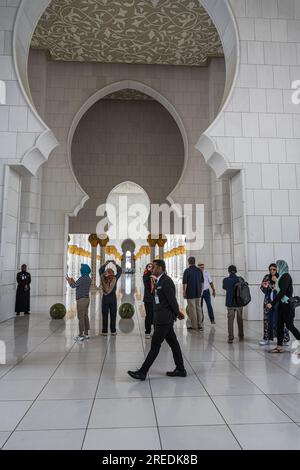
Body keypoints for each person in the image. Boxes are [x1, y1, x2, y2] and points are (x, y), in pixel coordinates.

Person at [128, 259, 186, 380]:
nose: (152, 269)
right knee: (174, 344)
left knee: (155, 346)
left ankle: (143, 372)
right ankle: (180, 369)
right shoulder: (159, 280)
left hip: (164, 319)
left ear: (160, 268)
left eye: (154, 267)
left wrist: (178, 313)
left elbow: (172, 300)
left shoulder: (166, 282)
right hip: (162, 318)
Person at [268, 260, 300, 355]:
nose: (276, 269)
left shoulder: (286, 276)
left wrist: (272, 303)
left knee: (290, 326)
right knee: (279, 326)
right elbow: (280, 290)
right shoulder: (281, 276)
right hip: (282, 306)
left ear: (282, 267)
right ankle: (279, 347)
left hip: (287, 306)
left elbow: (282, 293)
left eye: (277, 267)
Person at [259, 264, 290, 346]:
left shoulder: (281, 277)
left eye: (274, 269)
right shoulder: (267, 277)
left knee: (281, 320)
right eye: (270, 269)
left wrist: (276, 282)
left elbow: (284, 290)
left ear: (277, 270)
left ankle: (285, 339)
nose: (272, 271)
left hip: (279, 302)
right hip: (268, 302)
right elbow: (262, 288)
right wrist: (269, 286)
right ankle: (266, 338)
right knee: (267, 320)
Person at [67, 264, 92, 342]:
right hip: (87, 299)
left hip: (81, 300)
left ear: (83, 270)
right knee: (85, 316)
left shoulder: (82, 278)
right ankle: (86, 333)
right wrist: (73, 280)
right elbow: (78, 285)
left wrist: (69, 280)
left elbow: (73, 286)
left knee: (80, 317)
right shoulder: (88, 278)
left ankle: (81, 335)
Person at [99, 259, 122, 336]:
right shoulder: (114, 278)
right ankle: (113, 330)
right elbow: (120, 271)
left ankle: (105, 331)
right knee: (113, 314)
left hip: (105, 298)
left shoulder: (102, 277)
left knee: (105, 314)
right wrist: (115, 264)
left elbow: (100, 270)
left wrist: (105, 264)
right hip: (112, 299)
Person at [223, 265, 244, 344]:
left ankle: (231, 337)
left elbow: (224, 287)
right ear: (236, 271)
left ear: (228, 271)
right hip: (239, 303)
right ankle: (241, 335)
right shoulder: (240, 279)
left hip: (230, 303)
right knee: (240, 320)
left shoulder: (225, 280)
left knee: (230, 320)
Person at [183, 257, 204, 331]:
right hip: (198, 292)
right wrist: (200, 291)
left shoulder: (187, 271)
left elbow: (185, 283)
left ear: (189, 262)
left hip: (190, 293)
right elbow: (202, 282)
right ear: (194, 262)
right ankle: (200, 325)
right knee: (198, 308)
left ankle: (194, 325)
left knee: (192, 309)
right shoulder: (199, 270)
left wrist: (184, 292)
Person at [143, 263, 154, 339]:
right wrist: (150, 273)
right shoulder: (145, 276)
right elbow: (147, 284)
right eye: (148, 267)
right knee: (149, 315)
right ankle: (147, 331)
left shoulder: (156, 276)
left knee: (155, 315)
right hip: (148, 299)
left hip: (155, 299)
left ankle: (156, 331)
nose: (150, 268)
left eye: (151, 267)